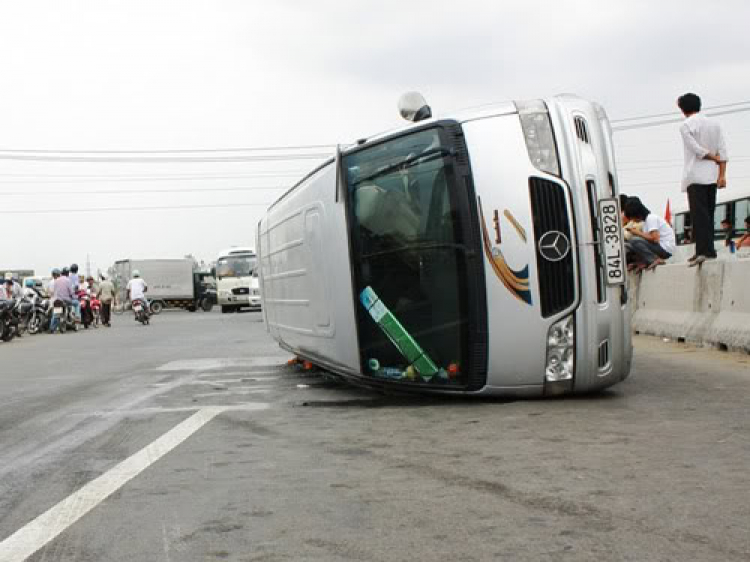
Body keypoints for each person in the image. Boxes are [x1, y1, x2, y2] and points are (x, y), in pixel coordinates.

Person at [677, 93, 729, 266]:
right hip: (712, 177)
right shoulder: (715, 124)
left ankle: (704, 252)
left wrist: (713, 158)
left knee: (699, 216)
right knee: (709, 213)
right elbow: (723, 151)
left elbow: (696, 150)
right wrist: (722, 174)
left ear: (682, 109)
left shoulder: (686, 125)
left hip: (695, 175)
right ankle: (707, 250)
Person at [624, 199, 676, 272]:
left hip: (665, 248)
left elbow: (655, 239)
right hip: (658, 247)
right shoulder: (645, 223)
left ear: (637, 214)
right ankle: (641, 262)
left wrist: (637, 233)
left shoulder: (651, 218)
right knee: (627, 245)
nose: (632, 220)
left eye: (632, 217)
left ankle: (655, 259)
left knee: (634, 240)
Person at [49, 268, 75, 333]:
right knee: (74, 305)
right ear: (67, 274)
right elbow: (71, 291)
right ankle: (73, 320)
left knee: (55, 315)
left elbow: (53, 291)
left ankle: (52, 328)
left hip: (57, 300)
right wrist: (73, 296)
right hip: (66, 300)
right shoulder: (68, 280)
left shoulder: (56, 281)